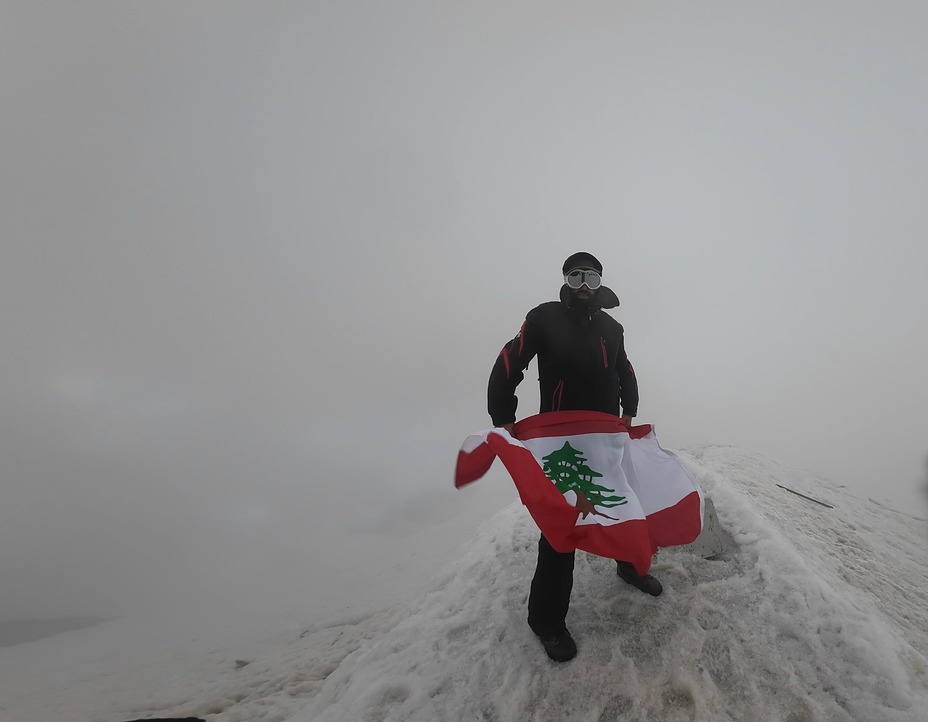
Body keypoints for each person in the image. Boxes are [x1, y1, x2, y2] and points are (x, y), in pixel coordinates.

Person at [487, 251, 662, 663]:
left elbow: (624, 368)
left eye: (593, 278)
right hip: (562, 438)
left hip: (605, 434)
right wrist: (503, 415)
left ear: (601, 283)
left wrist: (630, 407)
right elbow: (511, 359)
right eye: (577, 276)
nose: (585, 285)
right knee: (563, 523)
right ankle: (546, 620)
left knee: (618, 499)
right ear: (566, 280)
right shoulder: (545, 317)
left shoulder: (612, 326)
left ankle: (628, 565)